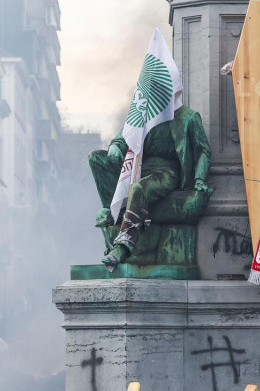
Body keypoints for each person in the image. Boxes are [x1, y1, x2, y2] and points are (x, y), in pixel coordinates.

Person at [91, 105, 213, 269]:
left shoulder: (188, 117)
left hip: (166, 172)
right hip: (137, 169)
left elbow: (203, 150)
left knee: (139, 188)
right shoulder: (142, 114)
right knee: (96, 158)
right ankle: (115, 211)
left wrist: (200, 179)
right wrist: (115, 146)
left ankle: (123, 246)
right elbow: (123, 137)